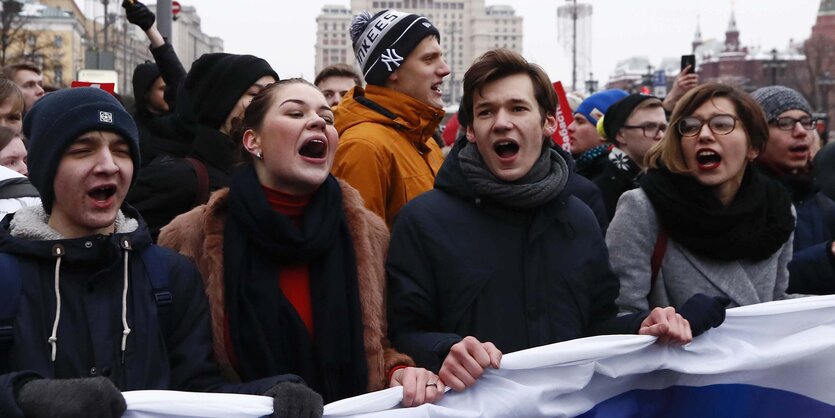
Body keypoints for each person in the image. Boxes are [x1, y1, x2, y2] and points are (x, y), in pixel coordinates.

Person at [0, 87, 323, 418]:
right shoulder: (6, 276)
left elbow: (198, 394)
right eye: (83, 151)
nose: (108, 165)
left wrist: (269, 396)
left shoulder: (170, 276)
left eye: (123, 151)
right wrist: (23, 396)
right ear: (45, 167)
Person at [387, 49, 693, 393]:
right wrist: (443, 351)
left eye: (517, 108)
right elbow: (401, 334)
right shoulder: (423, 220)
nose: (502, 122)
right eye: (486, 112)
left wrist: (644, 324)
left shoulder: (579, 217)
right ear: (471, 130)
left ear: (548, 123)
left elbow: (598, 324)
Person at [158, 79, 443, 407]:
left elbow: (381, 345)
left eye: (328, 117)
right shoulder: (188, 237)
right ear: (253, 141)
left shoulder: (370, 234)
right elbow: (182, 371)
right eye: (295, 113)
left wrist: (400, 371)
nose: (319, 121)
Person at [607, 83, 795, 316]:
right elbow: (621, 315)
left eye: (722, 125)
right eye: (691, 126)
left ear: (753, 146)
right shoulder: (643, 208)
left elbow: (777, 305)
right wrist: (667, 326)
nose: (704, 135)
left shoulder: (778, 209)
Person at [126, 52, 278, 239]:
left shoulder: (271, 176)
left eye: (271, 96)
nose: (266, 105)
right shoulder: (179, 178)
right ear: (222, 101)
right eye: (254, 94)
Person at [332, 9, 449, 228]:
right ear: (392, 68)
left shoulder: (427, 142)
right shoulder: (363, 147)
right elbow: (362, 253)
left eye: (442, 57)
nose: (445, 69)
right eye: (429, 59)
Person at [751, 85, 835, 295]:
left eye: (806, 122)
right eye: (785, 123)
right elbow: (758, 284)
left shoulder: (824, 201)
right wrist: (828, 255)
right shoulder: (740, 203)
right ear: (756, 136)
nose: (800, 131)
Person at [122, 0, 188, 165]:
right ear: (145, 93)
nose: (168, 93)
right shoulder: (129, 127)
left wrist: (150, 29)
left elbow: (179, 81)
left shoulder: (180, 123)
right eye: (162, 88)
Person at [593, 93, 667, 220]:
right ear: (621, 135)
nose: (660, 135)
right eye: (649, 127)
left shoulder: (664, 181)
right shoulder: (598, 191)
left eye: (663, 128)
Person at [567, 89, 628, 179]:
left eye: (580, 122)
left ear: (604, 131)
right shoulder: (584, 167)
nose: (569, 127)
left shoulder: (611, 179)